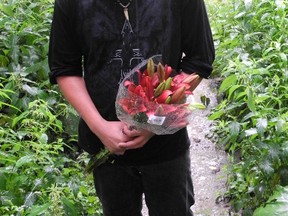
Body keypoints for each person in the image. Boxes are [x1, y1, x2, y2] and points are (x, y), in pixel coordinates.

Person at [48, 0, 215, 215]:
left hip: (166, 142)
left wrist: (154, 119)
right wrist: (100, 127)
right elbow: (64, 68)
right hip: (106, 145)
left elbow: (200, 58)